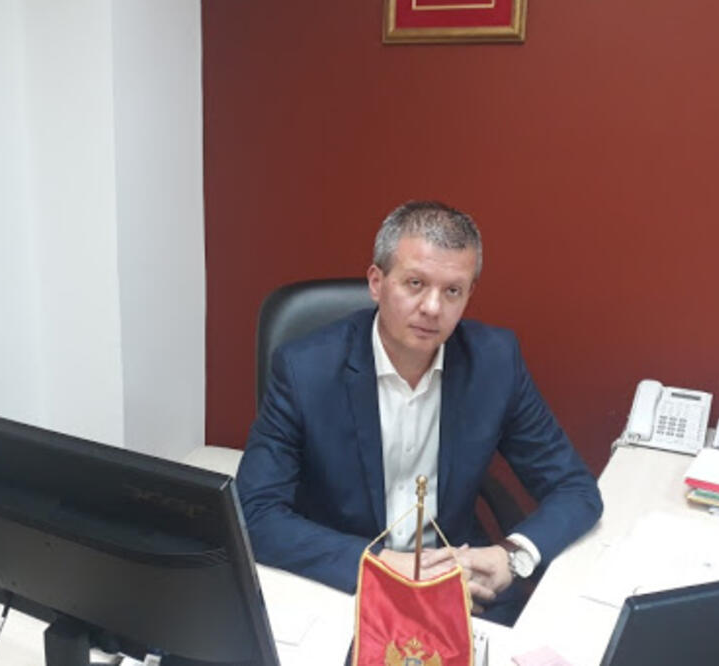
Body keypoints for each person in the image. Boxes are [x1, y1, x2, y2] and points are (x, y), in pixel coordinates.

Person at [236, 201, 602, 624]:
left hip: (458, 586)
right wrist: (376, 564)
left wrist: (511, 555)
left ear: (469, 295)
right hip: (347, 583)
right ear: (377, 282)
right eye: (415, 283)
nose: (432, 308)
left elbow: (575, 489)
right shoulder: (305, 370)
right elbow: (256, 513)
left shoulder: (495, 363)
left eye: (452, 291)